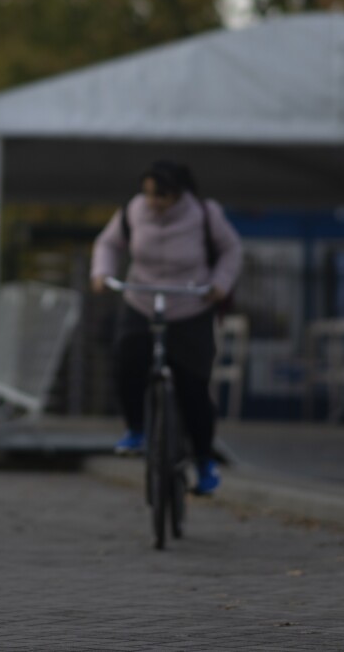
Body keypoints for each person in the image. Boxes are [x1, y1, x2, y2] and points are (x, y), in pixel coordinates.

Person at [90, 160, 243, 495]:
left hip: (191, 303)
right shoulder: (133, 211)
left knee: (194, 387)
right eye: (147, 194)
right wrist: (102, 273)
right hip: (142, 299)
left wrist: (221, 283)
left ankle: (204, 461)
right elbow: (108, 244)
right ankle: (136, 428)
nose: (152, 202)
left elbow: (231, 249)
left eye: (161, 196)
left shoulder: (204, 214)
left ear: (179, 194)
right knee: (126, 360)